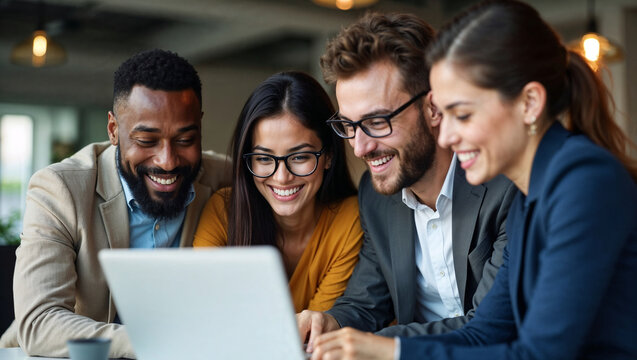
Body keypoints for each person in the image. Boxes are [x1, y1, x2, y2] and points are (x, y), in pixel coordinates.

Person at [311, 1, 637, 359]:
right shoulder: (533, 196)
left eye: (462, 114)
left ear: (529, 103)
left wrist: (389, 353)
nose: (446, 136)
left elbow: (540, 354)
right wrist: (368, 345)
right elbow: (484, 333)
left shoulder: (584, 183)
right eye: (445, 114)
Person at [297, 11, 517, 354]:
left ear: (433, 108)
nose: (360, 147)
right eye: (349, 126)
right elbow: (366, 302)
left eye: (377, 121)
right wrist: (331, 323)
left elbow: (492, 326)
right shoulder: (376, 195)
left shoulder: (505, 185)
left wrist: (375, 345)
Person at [0, 49, 231, 358]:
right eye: (147, 141)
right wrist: (157, 344)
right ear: (113, 130)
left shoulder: (225, 179)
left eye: (185, 140)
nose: (167, 161)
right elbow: (39, 322)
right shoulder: (59, 189)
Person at [193, 71, 363, 312]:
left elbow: (312, 334)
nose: (282, 177)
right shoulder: (223, 211)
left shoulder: (349, 220)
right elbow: (206, 311)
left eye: (300, 157)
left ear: (328, 157)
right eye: (263, 158)